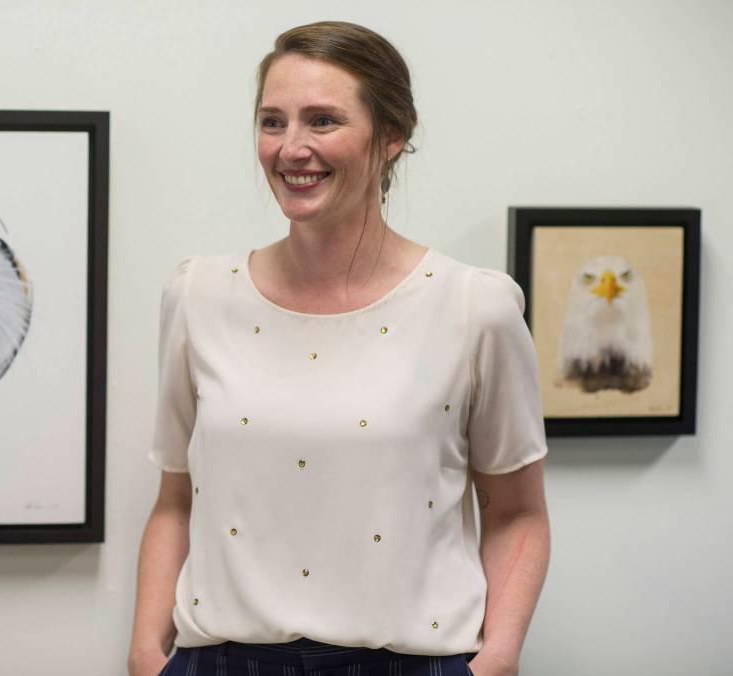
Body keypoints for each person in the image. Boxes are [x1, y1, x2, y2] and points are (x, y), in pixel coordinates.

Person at [129, 20, 550, 676]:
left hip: (410, 663)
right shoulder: (197, 294)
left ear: (391, 137)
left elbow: (517, 513)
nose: (291, 148)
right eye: (272, 122)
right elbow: (174, 500)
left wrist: (497, 659)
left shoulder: (475, 307)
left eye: (321, 121)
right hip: (221, 662)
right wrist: (144, 655)